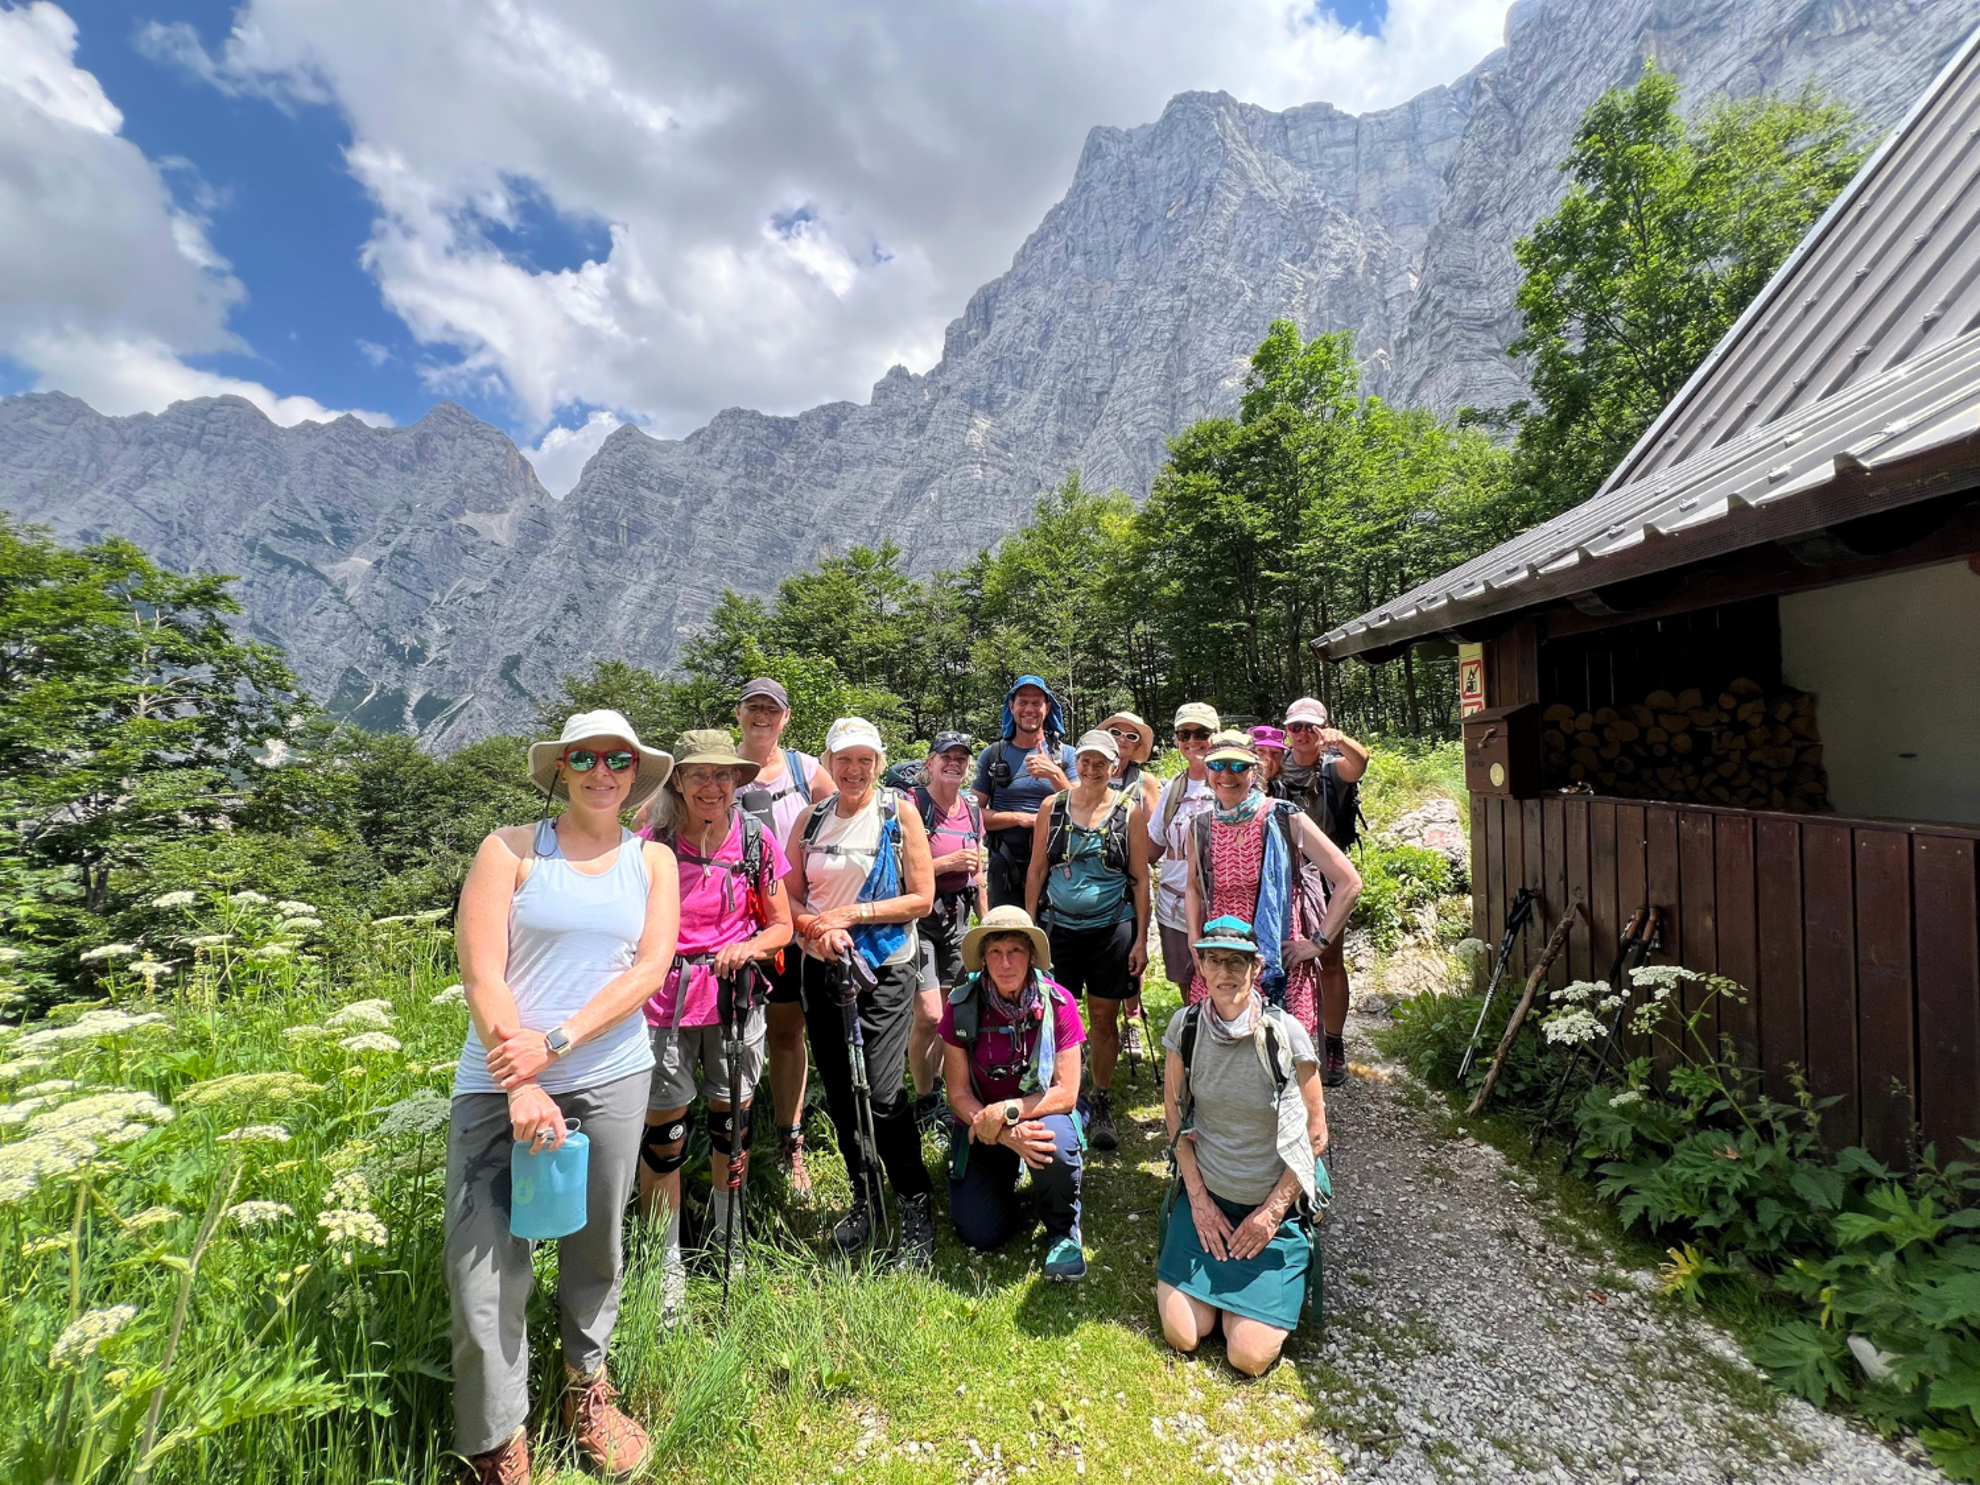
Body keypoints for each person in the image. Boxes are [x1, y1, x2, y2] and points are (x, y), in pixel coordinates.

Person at [447, 710, 681, 1484]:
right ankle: (497, 1440)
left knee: (594, 1247)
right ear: (562, 767)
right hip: (498, 1084)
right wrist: (521, 1079)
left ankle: (589, 1388)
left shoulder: (652, 863)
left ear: (635, 775)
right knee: (484, 1267)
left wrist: (556, 1045)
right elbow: (482, 974)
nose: (602, 770)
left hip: (610, 1074)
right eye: (585, 756)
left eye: (619, 759)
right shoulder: (509, 849)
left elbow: (650, 969)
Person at [633, 729, 793, 1312]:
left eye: (723, 775)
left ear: (737, 782)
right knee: (664, 1137)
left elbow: (782, 925)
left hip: (733, 999)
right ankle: (664, 1259)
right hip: (664, 1004)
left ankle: (732, 1239)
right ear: (677, 779)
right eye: (699, 773)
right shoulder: (650, 843)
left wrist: (748, 949)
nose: (712, 784)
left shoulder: (755, 840)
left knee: (733, 1127)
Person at [785, 717, 938, 1266]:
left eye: (865, 760)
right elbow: (791, 900)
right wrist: (816, 931)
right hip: (822, 969)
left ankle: (914, 1201)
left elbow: (921, 899)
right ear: (828, 761)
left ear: (878, 762)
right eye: (844, 759)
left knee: (880, 1091)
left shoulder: (898, 815)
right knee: (842, 1092)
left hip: (885, 969)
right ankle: (866, 1195)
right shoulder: (811, 819)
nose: (854, 769)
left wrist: (853, 915)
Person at [1158, 917, 1328, 1378]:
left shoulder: (1286, 1035)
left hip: (1271, 1208)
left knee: (1247, 1356)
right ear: (1202, 966)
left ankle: (1250, 1297)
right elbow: (1175, 1117)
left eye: (1237, 961)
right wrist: (1197, 1200)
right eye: (1214, 960)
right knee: (1184, 1335)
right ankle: (1223, 1294)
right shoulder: (1186, 1027)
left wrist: (1271, 1213)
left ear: (1257, 968)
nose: (1225, 972)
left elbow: (1315, 1134)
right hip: (1208, 1202)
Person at [1183, 732, 1361, 1048]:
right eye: (1217, 765)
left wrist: (1317, 943)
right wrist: (1194, 944)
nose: (1226, 775)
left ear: (1255, 769)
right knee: (1222, 1053)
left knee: (1284, 1056)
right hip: (1221, 958)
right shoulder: (1200, 825)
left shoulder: (1282, 817)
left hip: (1278, 962)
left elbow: (1349, 881)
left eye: (1238, 765)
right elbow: (1194, 888)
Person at [939, 906, 1087, 1280]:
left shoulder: (1059, 1003)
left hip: (1035, 1116)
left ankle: (1062, 1230)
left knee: (1054, 1141)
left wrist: (1008, 1112)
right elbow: (956, 1093)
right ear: (983, 959)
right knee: (981, 1233)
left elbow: (1066, 1092)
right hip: (982, 1125)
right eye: (995, 952)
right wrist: (1004, 1134)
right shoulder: (959, 1007)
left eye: (1015, 951)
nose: (1005, 962)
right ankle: (1008, 1170)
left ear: (1032, 955)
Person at [731, 677, 834, 1195]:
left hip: (799, 923)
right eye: (754, 708)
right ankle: (731, 1146)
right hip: (739, 930)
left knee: (787, 1031)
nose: (762, 717)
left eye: (772, 709)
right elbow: (657, 821)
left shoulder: (805, 770)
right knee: (738, 1039)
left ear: (786, 717)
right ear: (739, 713)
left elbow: (846, 818)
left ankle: (788, 1142)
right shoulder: (720, 771)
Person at [1023, 729, 1148, 1152]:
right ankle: (1061, 1096)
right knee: (1054, 1014)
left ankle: (1101, 1097)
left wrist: (1141, 940)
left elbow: (1141, 878)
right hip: (1059, 927)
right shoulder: (1052, 808)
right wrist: (1030, 930)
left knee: (1102, 1015)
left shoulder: (1130, 811)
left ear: (1115, 766)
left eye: (1101, 763)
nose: (1092, 769)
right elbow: (1037, 870)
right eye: (1086, 761)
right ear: (1077, 763)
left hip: (1112, 926)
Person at [1277, 699, 1370, 1086]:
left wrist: (1340, 740)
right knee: (1281, 955)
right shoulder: (1276, 764)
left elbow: (1360, 763)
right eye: (1296, 727)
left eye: (1310, 727)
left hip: (1328, 873)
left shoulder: (1333, 769)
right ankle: (1283, 1042)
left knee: (1329, 958)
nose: (1303, 734)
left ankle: (1333, 1042)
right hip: (1282, 873)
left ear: (1323, 728)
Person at [909, 731, 989, 1127]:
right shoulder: (913, 806)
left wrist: (986, 922)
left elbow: (978, 871)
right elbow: (902, 869)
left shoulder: (972, 811)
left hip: (958, 918)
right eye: (946, 756)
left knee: (950, 1015)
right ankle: (925, 1099)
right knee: (926, 1014)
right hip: (920, 917)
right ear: (930, 762)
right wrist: (945, 864)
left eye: (961, 757)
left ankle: (941, 1091)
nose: (954, 763)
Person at [972, 675, 1077, 910]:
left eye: (1036, 703)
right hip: (1005, 865)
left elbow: (1085, 809)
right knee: (1007, 939)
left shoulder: (1067, 756)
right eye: (1023, 702)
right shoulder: (993, 755)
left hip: (1058, 865)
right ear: (1012, 706)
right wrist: (1022, 819)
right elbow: (971, 815)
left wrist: (1055, 774)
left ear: (1047, 708)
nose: (1029, 709)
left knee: (1053, 940)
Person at [1148, 703, 1219, 989]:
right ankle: (1193, 1034)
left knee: (1226, 983)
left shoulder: (1232, 781)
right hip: (1174, 908)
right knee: (1188, 986)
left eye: (1201, 732)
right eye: (1184, 734)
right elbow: (1152, 848)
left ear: (1216, 734)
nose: (1192, 741)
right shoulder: (1173, 789)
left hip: (1221, 905)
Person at [1249, 725, 1287, 791]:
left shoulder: (1281, 791)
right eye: (1261, 751)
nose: (1269, 757)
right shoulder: (1234, 789)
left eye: (1275, 753)